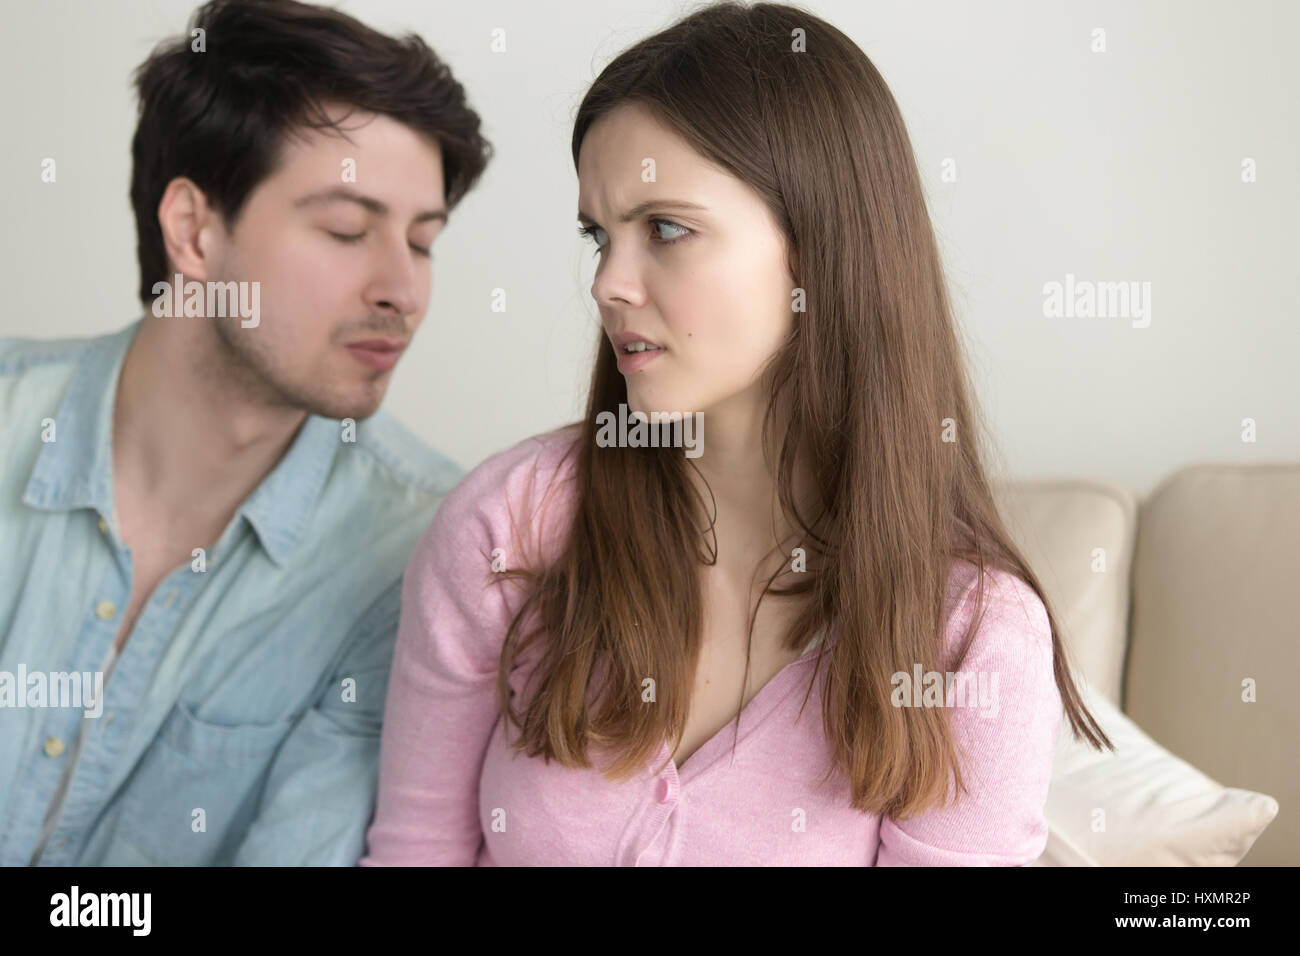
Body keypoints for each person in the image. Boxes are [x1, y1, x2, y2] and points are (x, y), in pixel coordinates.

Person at [360, 0, 1113, 867]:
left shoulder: (974, 640)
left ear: (821, 249)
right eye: (598, 235)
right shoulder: (508, 526)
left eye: (666, 228)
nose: (608, 282)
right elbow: (413, 852)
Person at [0, 0, 489, 865]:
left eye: (423, 241)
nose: (402, 290)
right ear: (192, 230)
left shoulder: (418, 558)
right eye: (347, 229)